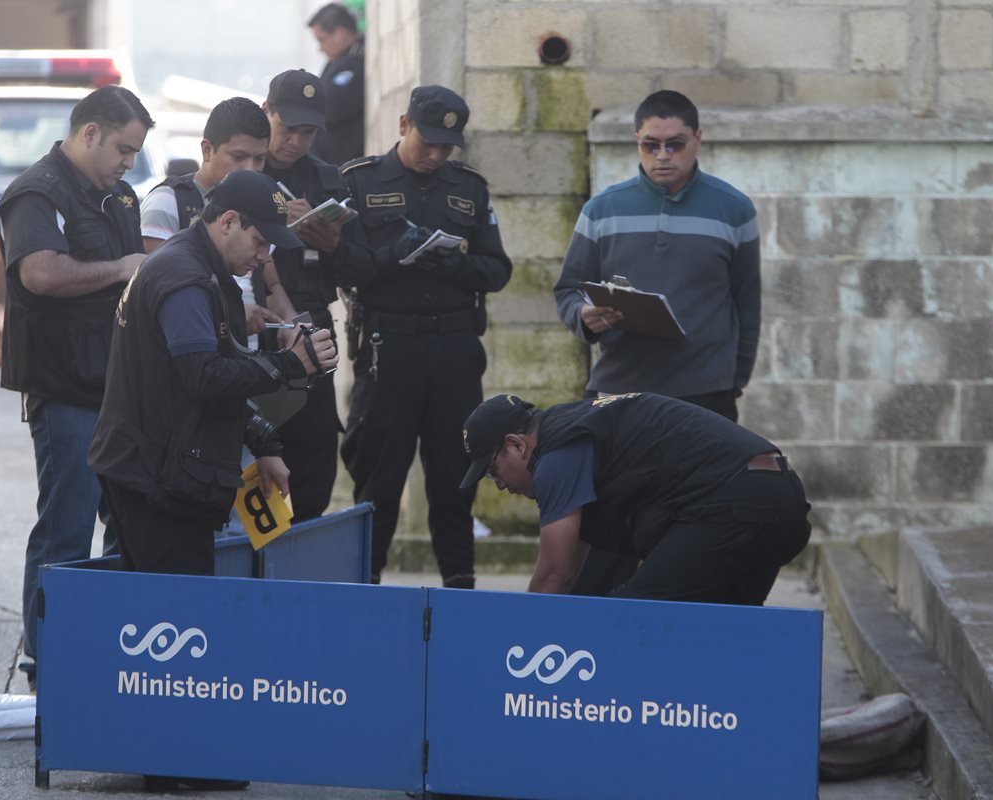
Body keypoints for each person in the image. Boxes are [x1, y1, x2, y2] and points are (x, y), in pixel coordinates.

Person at [89, 169, 338, 577]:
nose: (263, 257)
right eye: (259, 242)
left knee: (167, 605)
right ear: (227, 222)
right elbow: (203, 376)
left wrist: (263, 442)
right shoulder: (186, 276)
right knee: (178, 614)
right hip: (156, 477)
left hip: (165, 468)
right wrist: (291, 364)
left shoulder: (206, 270)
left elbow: (220, 370)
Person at [0, 84, 153, 691]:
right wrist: (120, 269)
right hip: (65, 390)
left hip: (118, 388)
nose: (128, 162)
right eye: (123, 148)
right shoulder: (37, 193)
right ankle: (46, 664)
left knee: (127, 525)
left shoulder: (118, 196)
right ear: (89, 133)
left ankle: (108, 650)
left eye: (135, 153)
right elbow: (39, 273)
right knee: (66, 528)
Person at [337, 85, 512, 588]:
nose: (436, 155)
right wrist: (397, 253)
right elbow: (347, 268)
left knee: (456, 479)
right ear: (402, 126)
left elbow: (497, 269)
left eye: (446, 147)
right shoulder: (361, 182)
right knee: (378, 480)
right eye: (428, 142)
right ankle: (364, 584)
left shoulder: (469, 189)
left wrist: (457, 265)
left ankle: (459, 585)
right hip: (388, 348)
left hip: (455, 349)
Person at [460, 392, 811, 605]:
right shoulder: (580, 426)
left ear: (517, 444)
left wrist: (517, 658)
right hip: (782, 494)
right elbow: (574, 570)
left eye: (492, 471)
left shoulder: (556, 458)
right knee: (727, 628)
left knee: (634, 617)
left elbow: (554, 576)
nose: (500, 486)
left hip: (734, 501)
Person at [553, 90, 761, 424]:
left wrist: (734, 381)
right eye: (651, 145)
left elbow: (747, 301)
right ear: (637, 141)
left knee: (703, 479)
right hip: (619, 388)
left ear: (698, 140)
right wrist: (583, 314)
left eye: (675, 144)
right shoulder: (601, 210)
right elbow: (567, 291)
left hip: (706, 396)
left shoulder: (734, 210)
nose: (662, 155)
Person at [260, 68, 350, 520]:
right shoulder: (242, 168)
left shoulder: (327, 181)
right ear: (266, 112)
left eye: (308, 132)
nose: (296, 141)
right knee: (253, 445)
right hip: (248, 321)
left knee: (313, 446)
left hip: (312, 319)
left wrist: (330, 240)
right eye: (288, 128)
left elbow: (357, 269)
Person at [140, 97, 295, 346]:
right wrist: (230, 313)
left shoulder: (259, 201)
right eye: (239, 157)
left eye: (259, 160)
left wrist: (291, 322)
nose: (250, 169)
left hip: (248, 357)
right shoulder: (168, 200)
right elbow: (160, 286)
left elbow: (271, 282)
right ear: (207, 150)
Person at [307, 2, 365, 166]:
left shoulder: (355, 61)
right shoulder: (340, 61)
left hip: (343, 164)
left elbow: (330, 106)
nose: (320, 48)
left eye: (321, 40)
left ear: (338, 34)